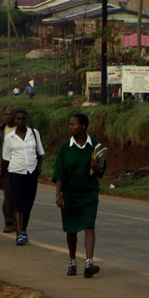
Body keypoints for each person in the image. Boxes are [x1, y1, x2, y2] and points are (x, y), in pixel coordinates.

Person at [53, 113, 105, 278]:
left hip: (89, 192)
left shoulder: (95, 146)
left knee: (89, 225)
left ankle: (89, 261)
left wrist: (96, 168)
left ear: (83, 126)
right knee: (71, 229)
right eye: (70, 125)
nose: (71, 127)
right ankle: (72, 260)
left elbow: (101, 171)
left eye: (73, 124)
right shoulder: (65, 148)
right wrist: (58, 194)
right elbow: (59, 172)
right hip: (70, 193)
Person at [0, 108, 44, 246]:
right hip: (15, 173)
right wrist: (2, 177)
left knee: (28, 204)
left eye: (23, 119)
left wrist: (38, 170)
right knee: (18, 203)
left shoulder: (34, 134)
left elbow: (40, 154)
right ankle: (19, 234)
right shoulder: (9, 138)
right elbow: (5, 159)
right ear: (15, 120)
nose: (20, 121)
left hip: (31, 173)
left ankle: (24, 230)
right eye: (18, 119)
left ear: (27, 120)